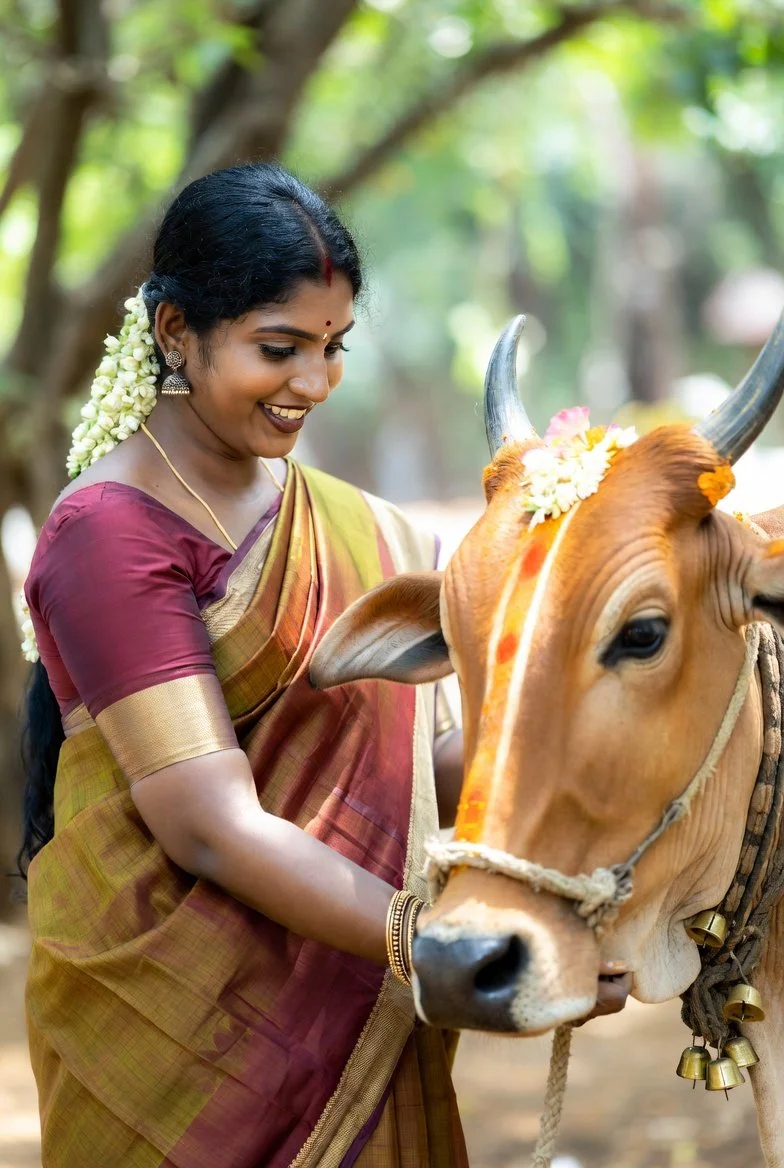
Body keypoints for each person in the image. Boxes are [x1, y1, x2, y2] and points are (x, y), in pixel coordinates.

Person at [19, 162, 469, 1167]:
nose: (313, 383)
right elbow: (209, 826)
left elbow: (434, 768)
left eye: (332, 347)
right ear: (176, 330)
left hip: (352, 1001)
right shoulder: (111, 534)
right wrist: (429, 943)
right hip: (181, 1047)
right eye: (280, 348)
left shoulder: (364, 529)